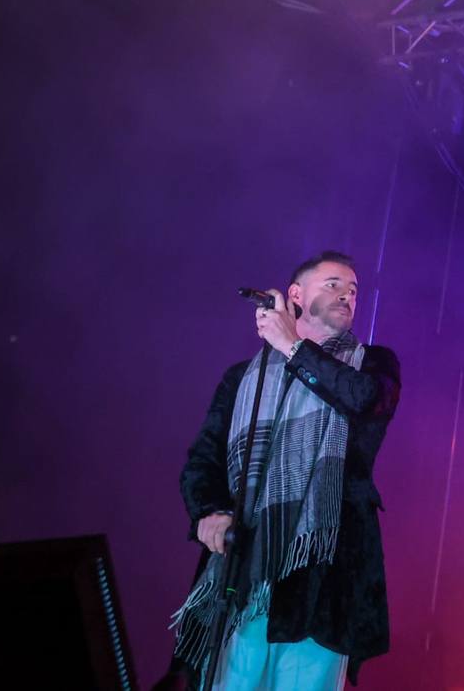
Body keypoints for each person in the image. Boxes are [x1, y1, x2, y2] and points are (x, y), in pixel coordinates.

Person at [165, 251, 401, 690]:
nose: (347, 295)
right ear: (295, 295)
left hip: (321, 579)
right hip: (243, 573)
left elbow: (366, 400)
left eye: (353, 290)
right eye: (332, 284)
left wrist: (293, 346)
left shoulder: (373, 363)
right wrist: (209, 511)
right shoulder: (243, 378)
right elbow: (204, 459)